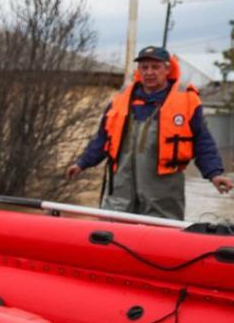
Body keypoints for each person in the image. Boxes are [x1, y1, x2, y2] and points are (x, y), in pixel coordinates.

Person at [66, 45, 232, 219]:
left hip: (163, 195)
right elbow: (102, 140)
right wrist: (82, 163)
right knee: (110, 232)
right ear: (139, 71)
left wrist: (215, 174)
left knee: (161, 235)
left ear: (168, 69)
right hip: (121, 192)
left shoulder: (187, 102)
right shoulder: (120, 102)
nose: (149, 72)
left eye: (155, 67)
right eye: (144, 67)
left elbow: (203, 142)